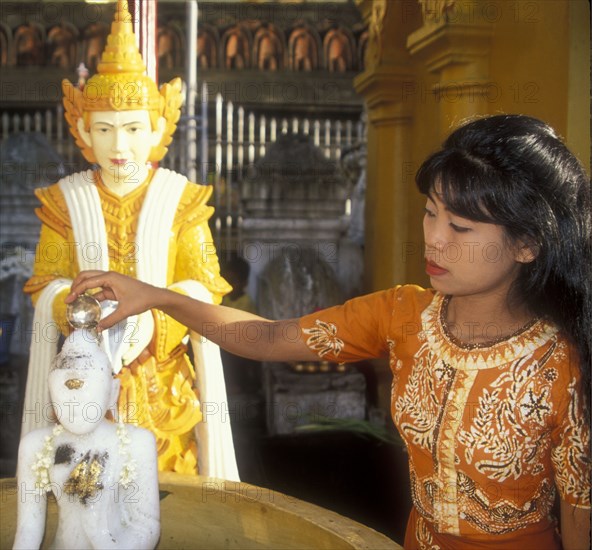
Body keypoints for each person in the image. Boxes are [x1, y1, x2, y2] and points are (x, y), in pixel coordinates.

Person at [66, 114, 591, 549]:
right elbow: (270, 339)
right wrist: (160, 297)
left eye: (460, 227)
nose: (433, 238)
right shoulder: (403, 314)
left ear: (528, 244)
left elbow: (579, 519)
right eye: (431, 213)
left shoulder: (567, 364)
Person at [22, 0, 237, 480]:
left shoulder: (182, 202)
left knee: (175, 504)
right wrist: (81, 311)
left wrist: (155, 313)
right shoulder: (64, 204)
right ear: (81, 129)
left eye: (133, 129)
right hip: (83, 387)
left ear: (160, 128)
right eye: (105, 130)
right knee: (84, 500)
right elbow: (46, 285)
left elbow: (207, 290)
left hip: (164, 386)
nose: (119, 146)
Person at [14, 330, 160, 550]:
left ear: (113, 393)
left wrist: (102, 536)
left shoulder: (136, 442)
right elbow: (28, 529)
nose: (75, 409)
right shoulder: (35, 445)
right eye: (64, 402)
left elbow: (146, 526)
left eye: (86, 402)